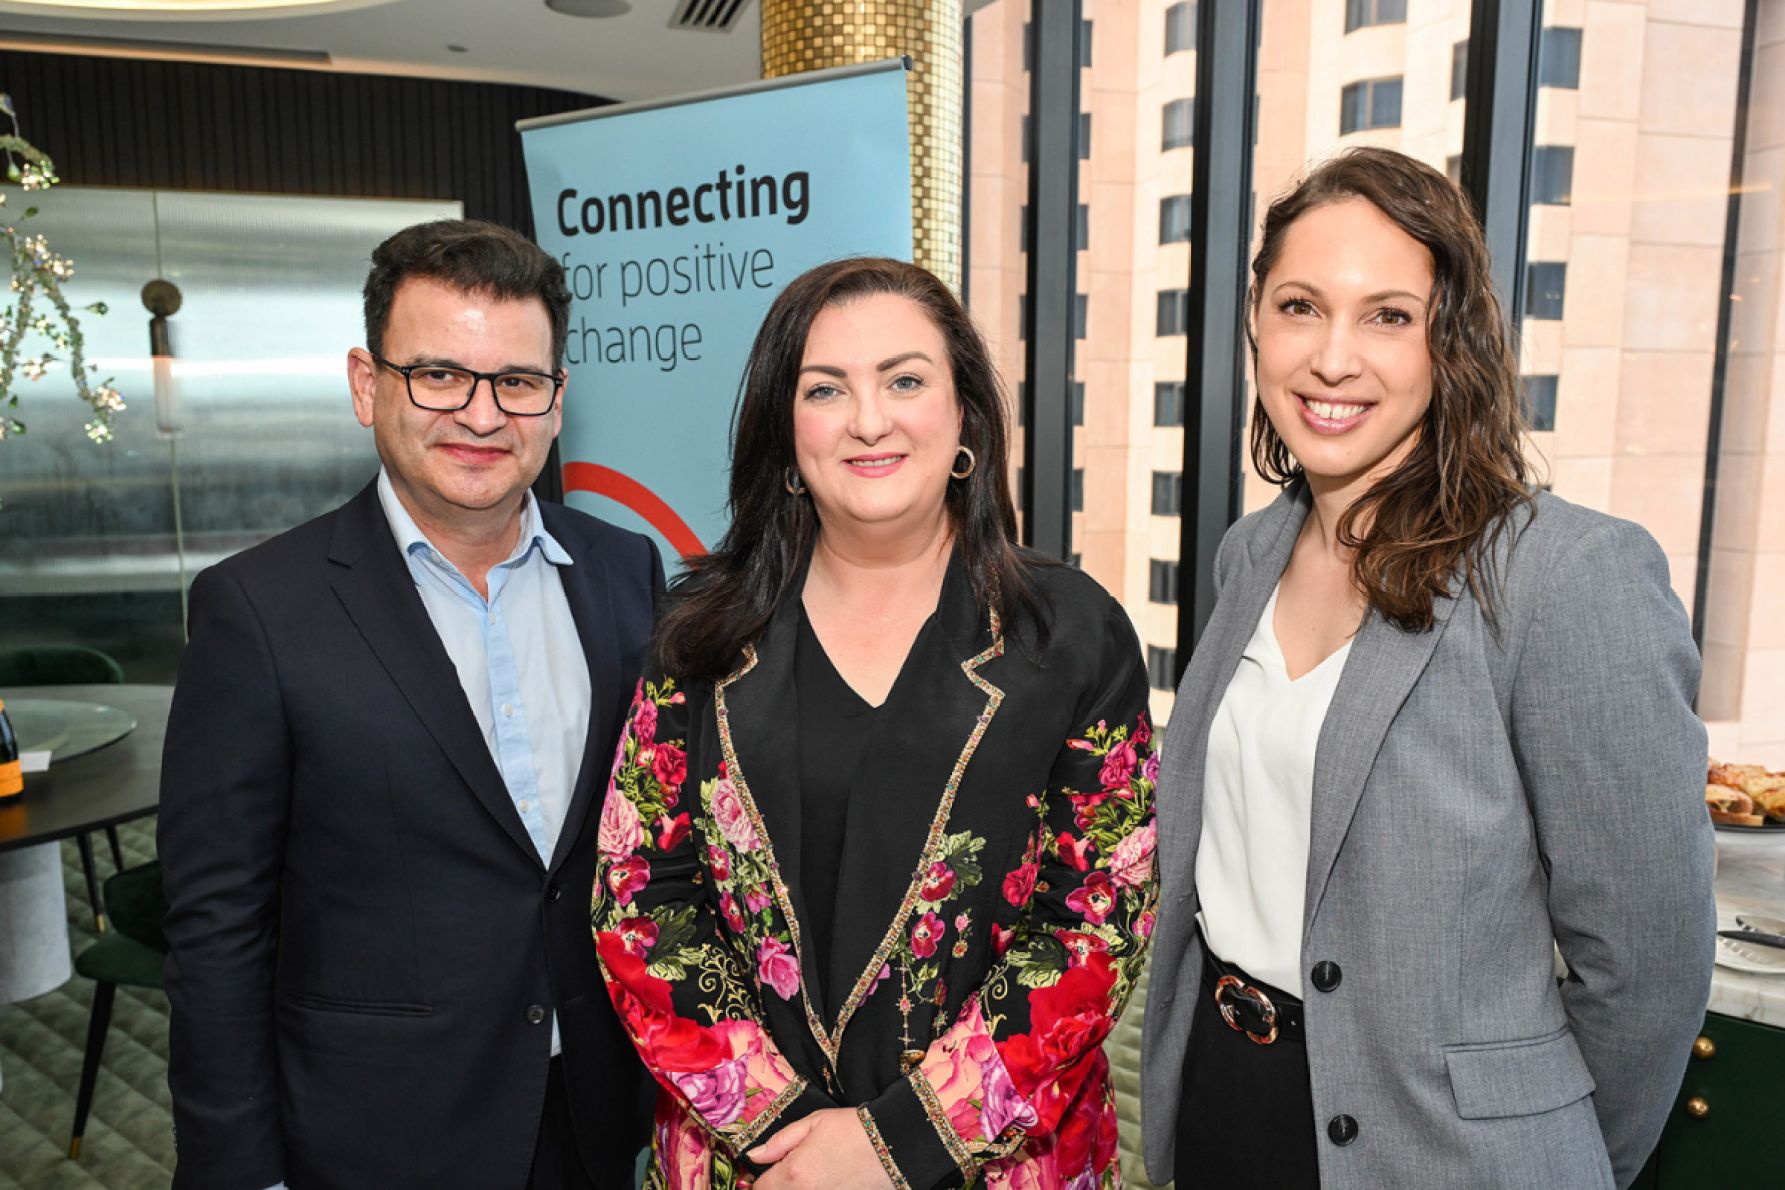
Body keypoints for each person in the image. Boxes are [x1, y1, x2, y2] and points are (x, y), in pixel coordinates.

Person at [1139, 147, 1716, 1189]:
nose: (1333, 358)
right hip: (1227, 1101)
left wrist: (1549, 1159)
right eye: (1301, 306)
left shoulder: (1563, 577)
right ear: (1256, 321)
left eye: (1388, 316)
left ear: (1450, 342)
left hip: (1442, 1154)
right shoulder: (1249, 554)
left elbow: (1648, 967)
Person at [591, 257, 1158, 1189]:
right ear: (785, 430)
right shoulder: (699, 634)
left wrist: (896, 1142)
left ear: (964, 413)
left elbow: (1099, 912)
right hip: (753, 1164)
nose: (868, 420)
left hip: (993, 1163)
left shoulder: (1070, 633)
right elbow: (639, 892)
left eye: (904, 380)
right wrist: (790, 1136)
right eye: (826, 389)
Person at [158, 219, 659, 1190]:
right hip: (373, 1135)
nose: (482, 414)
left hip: (593, 1116)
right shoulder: (257, 610)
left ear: (557, 400)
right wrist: (239, 1169)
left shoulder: (623, 571)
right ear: (367, 384)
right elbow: (217, 927)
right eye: (439, 374)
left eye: (517, 381)